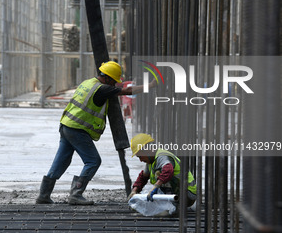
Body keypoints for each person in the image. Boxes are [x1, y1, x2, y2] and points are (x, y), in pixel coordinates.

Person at [36, 61, 156, 205]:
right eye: (114, 82)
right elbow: (128, 91)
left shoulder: (88, 83)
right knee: (93, 161)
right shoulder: (102, 89)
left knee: (61, 161)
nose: (115, 85)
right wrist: (151, 86)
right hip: (77, 129)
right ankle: (76, 194)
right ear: (108, 78)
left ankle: (43, 195)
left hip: (66, 125)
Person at [128, 133, 197, 208]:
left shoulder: (162, 156)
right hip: (178, 193)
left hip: (187, 194)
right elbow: (143, 177)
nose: (141, 160)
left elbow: (168, 171)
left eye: (140, 156)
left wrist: (155, 187)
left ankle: (172, 207)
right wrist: (134, 191)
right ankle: (169, 206)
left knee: (160, 173)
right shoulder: (151, 161)